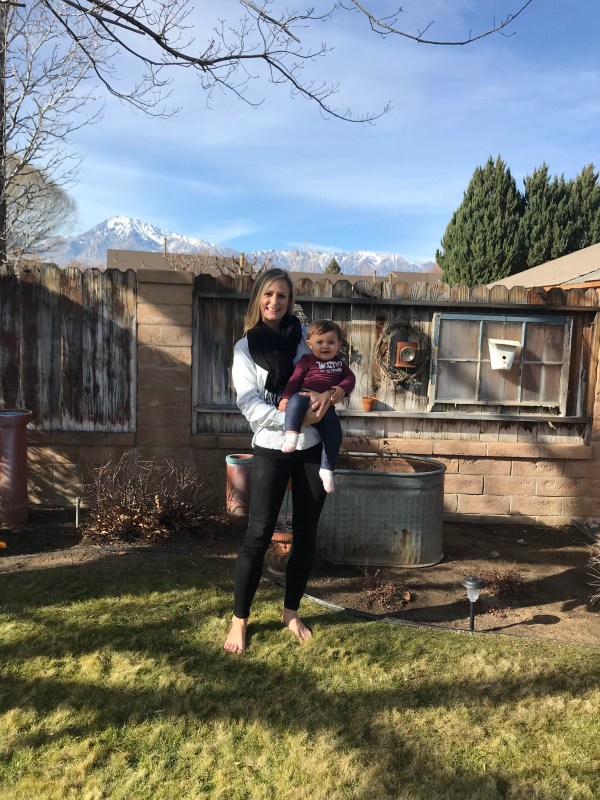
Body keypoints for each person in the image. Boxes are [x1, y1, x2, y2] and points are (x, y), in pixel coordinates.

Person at [223, 268, 336, 655]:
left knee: (306, 534)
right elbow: (249, 405)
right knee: (258, 535)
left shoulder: (304, 342)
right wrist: (294, 420)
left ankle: (290, 612)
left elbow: (326, 372)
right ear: (259, 297)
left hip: (311, 447)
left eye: (283, 296)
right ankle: (240, 619)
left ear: (290, 302)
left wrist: (330, 396)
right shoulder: (244, 349)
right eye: (269, 294)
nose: (275, 302)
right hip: (272, 446)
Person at [278, 320, 355, 493]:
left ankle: (326, 470)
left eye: (331, 342)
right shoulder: (306, 361)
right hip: (304, 396)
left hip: (327, 407)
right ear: (309, 344)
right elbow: (294, 380)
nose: (325, 346)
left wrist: (342, 389)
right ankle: (291, 436)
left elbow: (350, 379)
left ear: (339, 345)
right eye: (320, 342)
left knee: (334, 436)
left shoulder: (340, 364)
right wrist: (285, 398)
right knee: (294, 402)